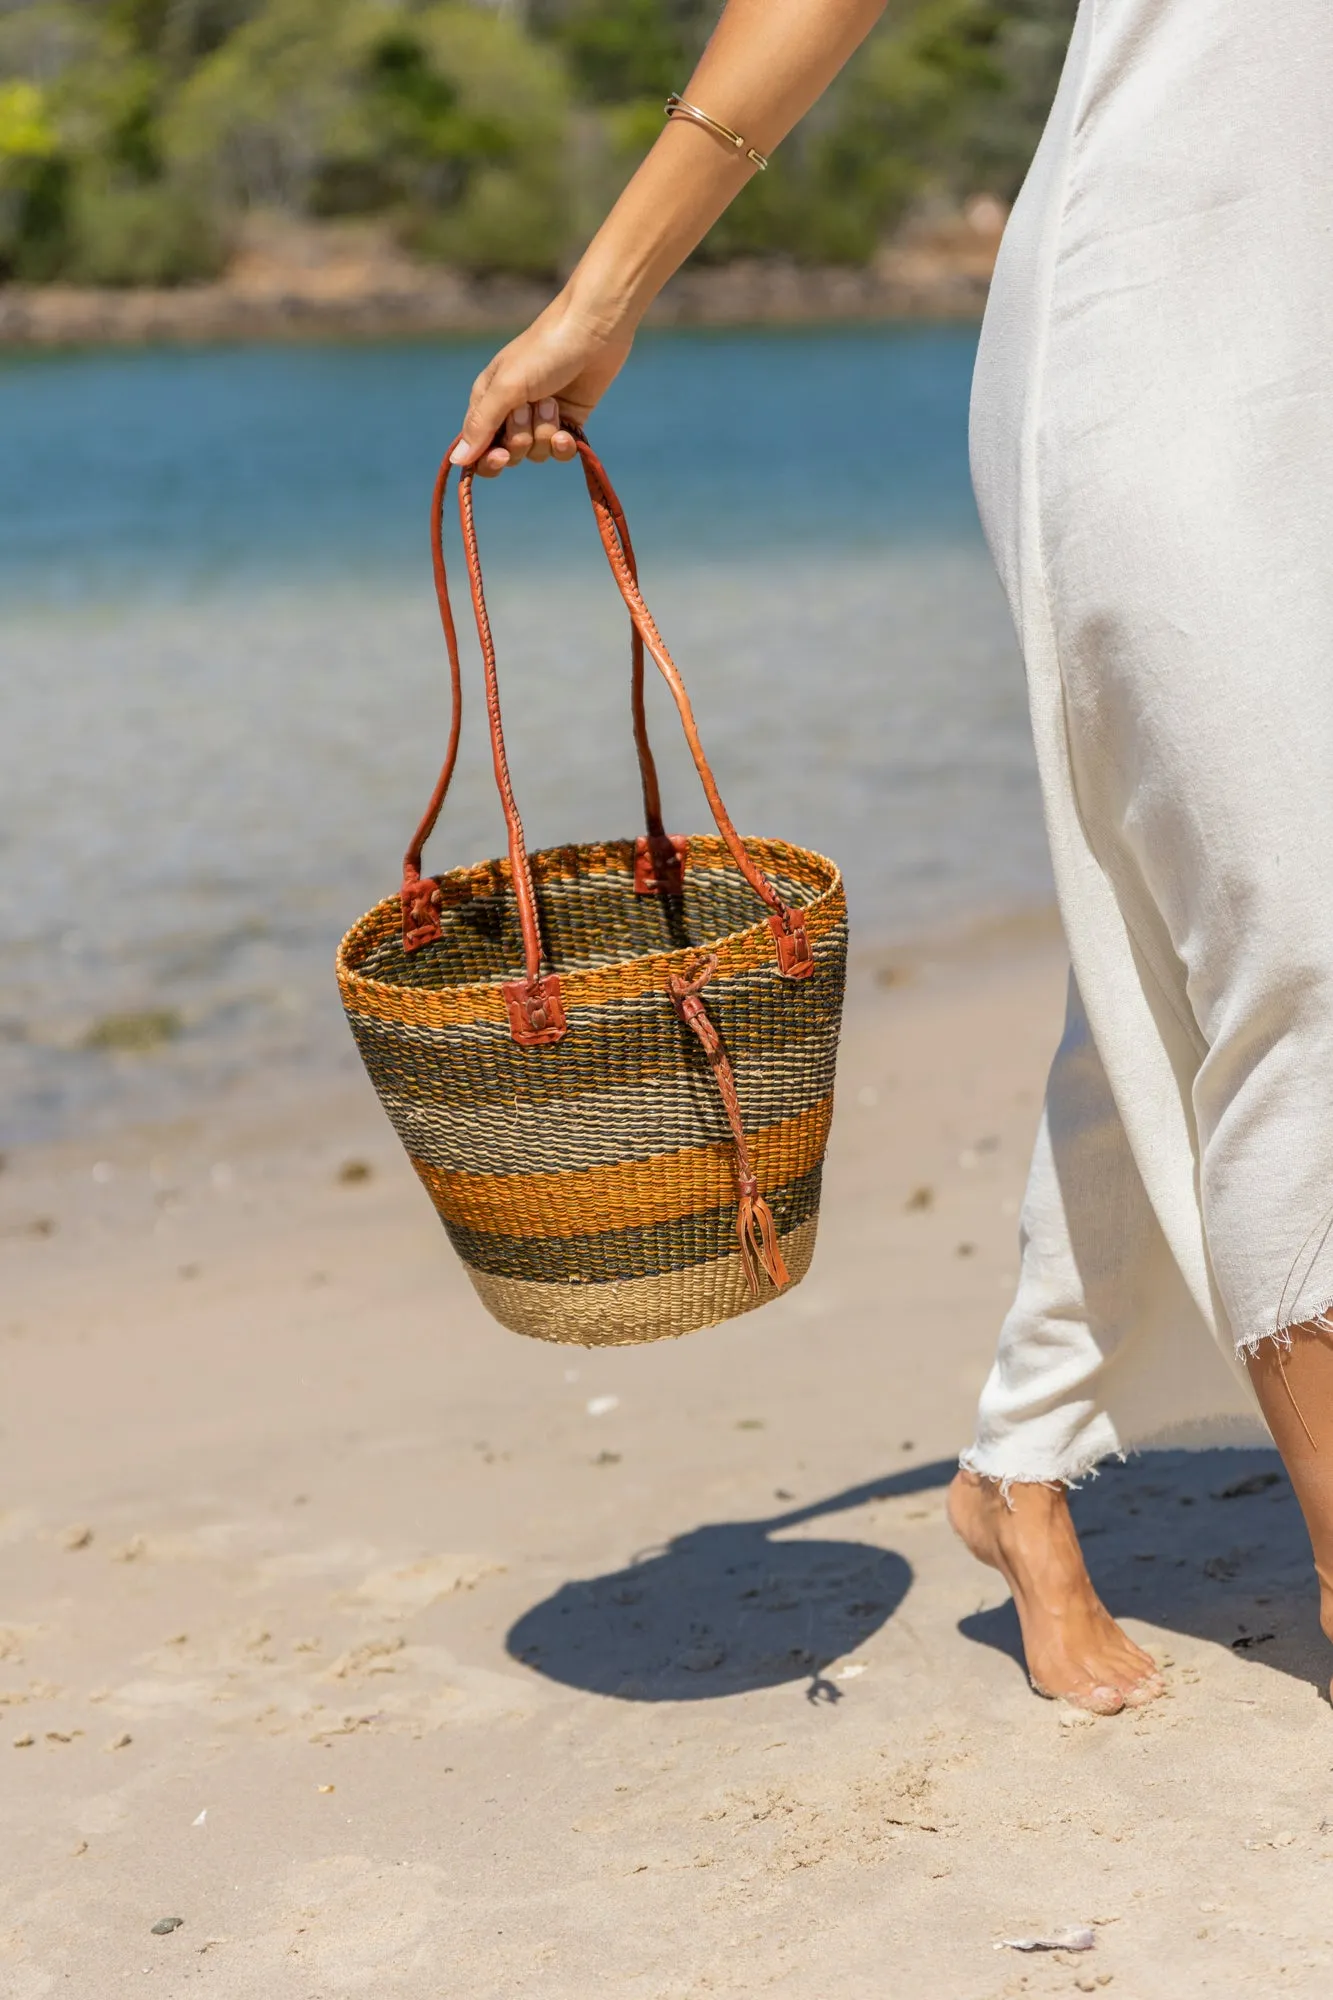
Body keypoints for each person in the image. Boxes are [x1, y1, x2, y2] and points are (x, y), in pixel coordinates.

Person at [450, 0, 1333, 1715]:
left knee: (1181, 946)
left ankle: (1020, 1463)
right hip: (1177, 337)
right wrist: (603, 292)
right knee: (1307, 946)